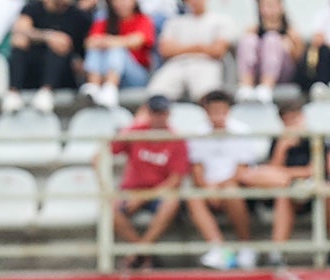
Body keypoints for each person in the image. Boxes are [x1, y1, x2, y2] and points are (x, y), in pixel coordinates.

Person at [106, 94, 189, 270]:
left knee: (171, 202)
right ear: (148, 113)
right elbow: (106, 150)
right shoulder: (135, 132)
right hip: (133, 190)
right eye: (155, 112)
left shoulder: (176, 139)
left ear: (168, 114)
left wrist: (144, 197)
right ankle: (144, 254)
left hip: (158, 193)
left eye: (162, 112)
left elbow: (175, 180)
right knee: (110, 207)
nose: (159, 117)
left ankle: (137, 255)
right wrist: (133, 124)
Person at [185, 89, 261, 270]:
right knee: (193, 197)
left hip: (234, 186)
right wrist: (207, 188)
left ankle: (245, 245)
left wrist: (219, 187)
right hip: (208, 188)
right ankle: (218, 248)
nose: (217, 115)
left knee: (231, 191)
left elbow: (242, 170)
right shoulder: (198, 134)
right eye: (213, 111)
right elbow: (197, 170)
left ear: (228, 110)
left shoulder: (242, 131)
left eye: (221, 110)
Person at [238, 102, 320, 266]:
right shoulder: (279, 140)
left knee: (281, 186)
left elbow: (314, 171)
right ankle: (276, 253)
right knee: (283, 191)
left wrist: (285, 174)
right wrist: (282, 148)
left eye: (294, 118)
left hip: (307, 190)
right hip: (283, 188)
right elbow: (273, 168)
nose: (292, 124)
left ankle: (277, 251)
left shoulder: (315, 139)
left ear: (302, 117)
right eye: (287, 120)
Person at [2, 0, 93, 114]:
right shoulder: (32, 8)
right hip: (32, 69)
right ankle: (13, 92)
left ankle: (46, 91)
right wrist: (48, 36)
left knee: (60, 44)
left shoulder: (79, 16)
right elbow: (20, 30)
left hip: (63, 72)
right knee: (20, 40)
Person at [147, 0, 235, 103]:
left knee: (210, 98)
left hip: (206, 65)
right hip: (176, 65)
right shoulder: (174, 22)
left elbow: (217, 51)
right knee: (155, 96)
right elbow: (165, 50)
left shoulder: (221, 20)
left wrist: (180, 48)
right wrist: (199, 48)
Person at [80, 0, 155, 110]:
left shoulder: (143, 19)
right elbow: (89, 42)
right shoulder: (106, 20)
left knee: (116, 49)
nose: (121, 3)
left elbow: (137, 41)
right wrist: (106, 42)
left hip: (136, 77)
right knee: (96, 49)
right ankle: (93, 86)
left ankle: (110, 88)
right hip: (104, 73)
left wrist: (110, 41)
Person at [235, 0, 301, 104]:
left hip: (282, 74)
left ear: (281, 7)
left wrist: (288, 47)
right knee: (248, 40)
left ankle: (266, 86)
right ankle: (246, 86)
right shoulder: (252, 30)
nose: (269, 10)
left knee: (272, 39)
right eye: (265, 6)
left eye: (272, 5)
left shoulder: (291, 32)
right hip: (258, 72)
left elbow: (299, 60)